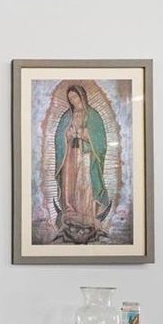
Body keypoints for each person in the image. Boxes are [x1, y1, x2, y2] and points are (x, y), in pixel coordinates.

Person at [53, 84, 111, 244]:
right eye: (70, 98)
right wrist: (67, 135)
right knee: (69, 184)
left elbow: (101, 141)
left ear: (82, 96)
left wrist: (85, 134)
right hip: (70, 155)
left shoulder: (93, 116)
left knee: (85, 185)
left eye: (75, 97)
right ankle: (70, 214)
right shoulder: (67, 116)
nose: (73, 101)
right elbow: (58, 138)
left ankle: (86, 217)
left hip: (86, 156)